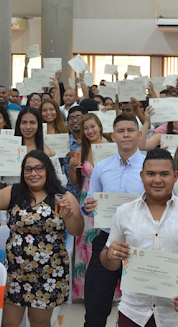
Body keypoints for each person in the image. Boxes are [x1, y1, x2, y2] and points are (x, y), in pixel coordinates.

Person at [101, 149, 178, 327]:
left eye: (165, 174)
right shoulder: (124, 212)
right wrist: (110, 255)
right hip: (133, 312)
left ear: (176, 176)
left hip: (175, 314)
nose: (158, 180)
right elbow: (109, 260)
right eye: (151, 174)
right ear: (142, 176)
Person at [0, 149, 83, 327]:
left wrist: (68, 214)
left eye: (39, 168)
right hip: (15, 271)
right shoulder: (15, 192)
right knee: (9, 322)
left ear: (48, 170)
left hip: (49, 274)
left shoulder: (61, 196)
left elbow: (77, 231)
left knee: (39, 322)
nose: (34, 173)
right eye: (28, 169)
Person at [81, 113, 146, 327]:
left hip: (142, 243)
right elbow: (91, 203)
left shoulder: (150, 166)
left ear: (139, 134)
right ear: (113, 135)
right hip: (107, 240)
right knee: (95, 306)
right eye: (120, 131)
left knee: (141, 309)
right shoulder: (102, 167)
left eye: (130, 130)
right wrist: (89, 207)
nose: (125, 135)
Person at [69, 113, 108, 300]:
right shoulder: (81, 151)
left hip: (106, 200)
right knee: (86, 244)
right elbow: (75, 181)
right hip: (86, 200)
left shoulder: (111, 148)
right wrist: (72, 167)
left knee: (104, 241)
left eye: (93, 126)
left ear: (100, 126)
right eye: (86, 128)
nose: (90, 131)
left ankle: (107, 292)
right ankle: (85, 292)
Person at [0, 107, 66, 188]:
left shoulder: (49, 152)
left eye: (32, 122)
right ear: (18, 124)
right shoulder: (8, 151)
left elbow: (57, 183)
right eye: (24, 122)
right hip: (13, 198)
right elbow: (2, 184)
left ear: (39, 125)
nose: (28, 127)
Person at [63, 106, 87, 199]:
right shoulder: (64, 143)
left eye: (78, 117)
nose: (75, 120)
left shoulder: (92, 142)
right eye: (71, 118)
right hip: (71, 193)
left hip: (90, 192)